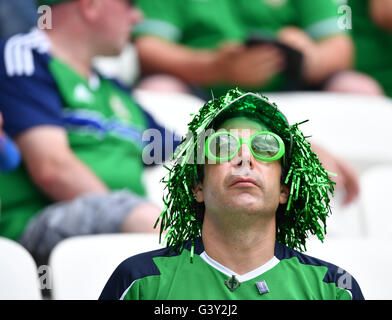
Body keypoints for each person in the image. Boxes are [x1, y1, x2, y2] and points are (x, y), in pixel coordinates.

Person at [99, 88, 364, 300]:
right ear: (198, 187)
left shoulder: (334, 289)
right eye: (223, 146)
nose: (244, 158)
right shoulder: (139, 282)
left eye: (266, 148)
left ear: (284, 190)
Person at [0, 0, 179, 266]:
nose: (138, 16)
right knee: (172, 235)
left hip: (130, 223)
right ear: (91, 5)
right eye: (129, 4)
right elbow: (53, 169)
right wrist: (126, 212)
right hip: (36, 227)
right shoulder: (22, 58)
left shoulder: (114, 89)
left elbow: (184, 152)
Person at [132, 0, 379, 98]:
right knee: (157, 90)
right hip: (200, 92)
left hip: (290, 90)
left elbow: (341, 49)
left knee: (359, 90)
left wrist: (309, 57)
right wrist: (215, 67)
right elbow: (147, 49)